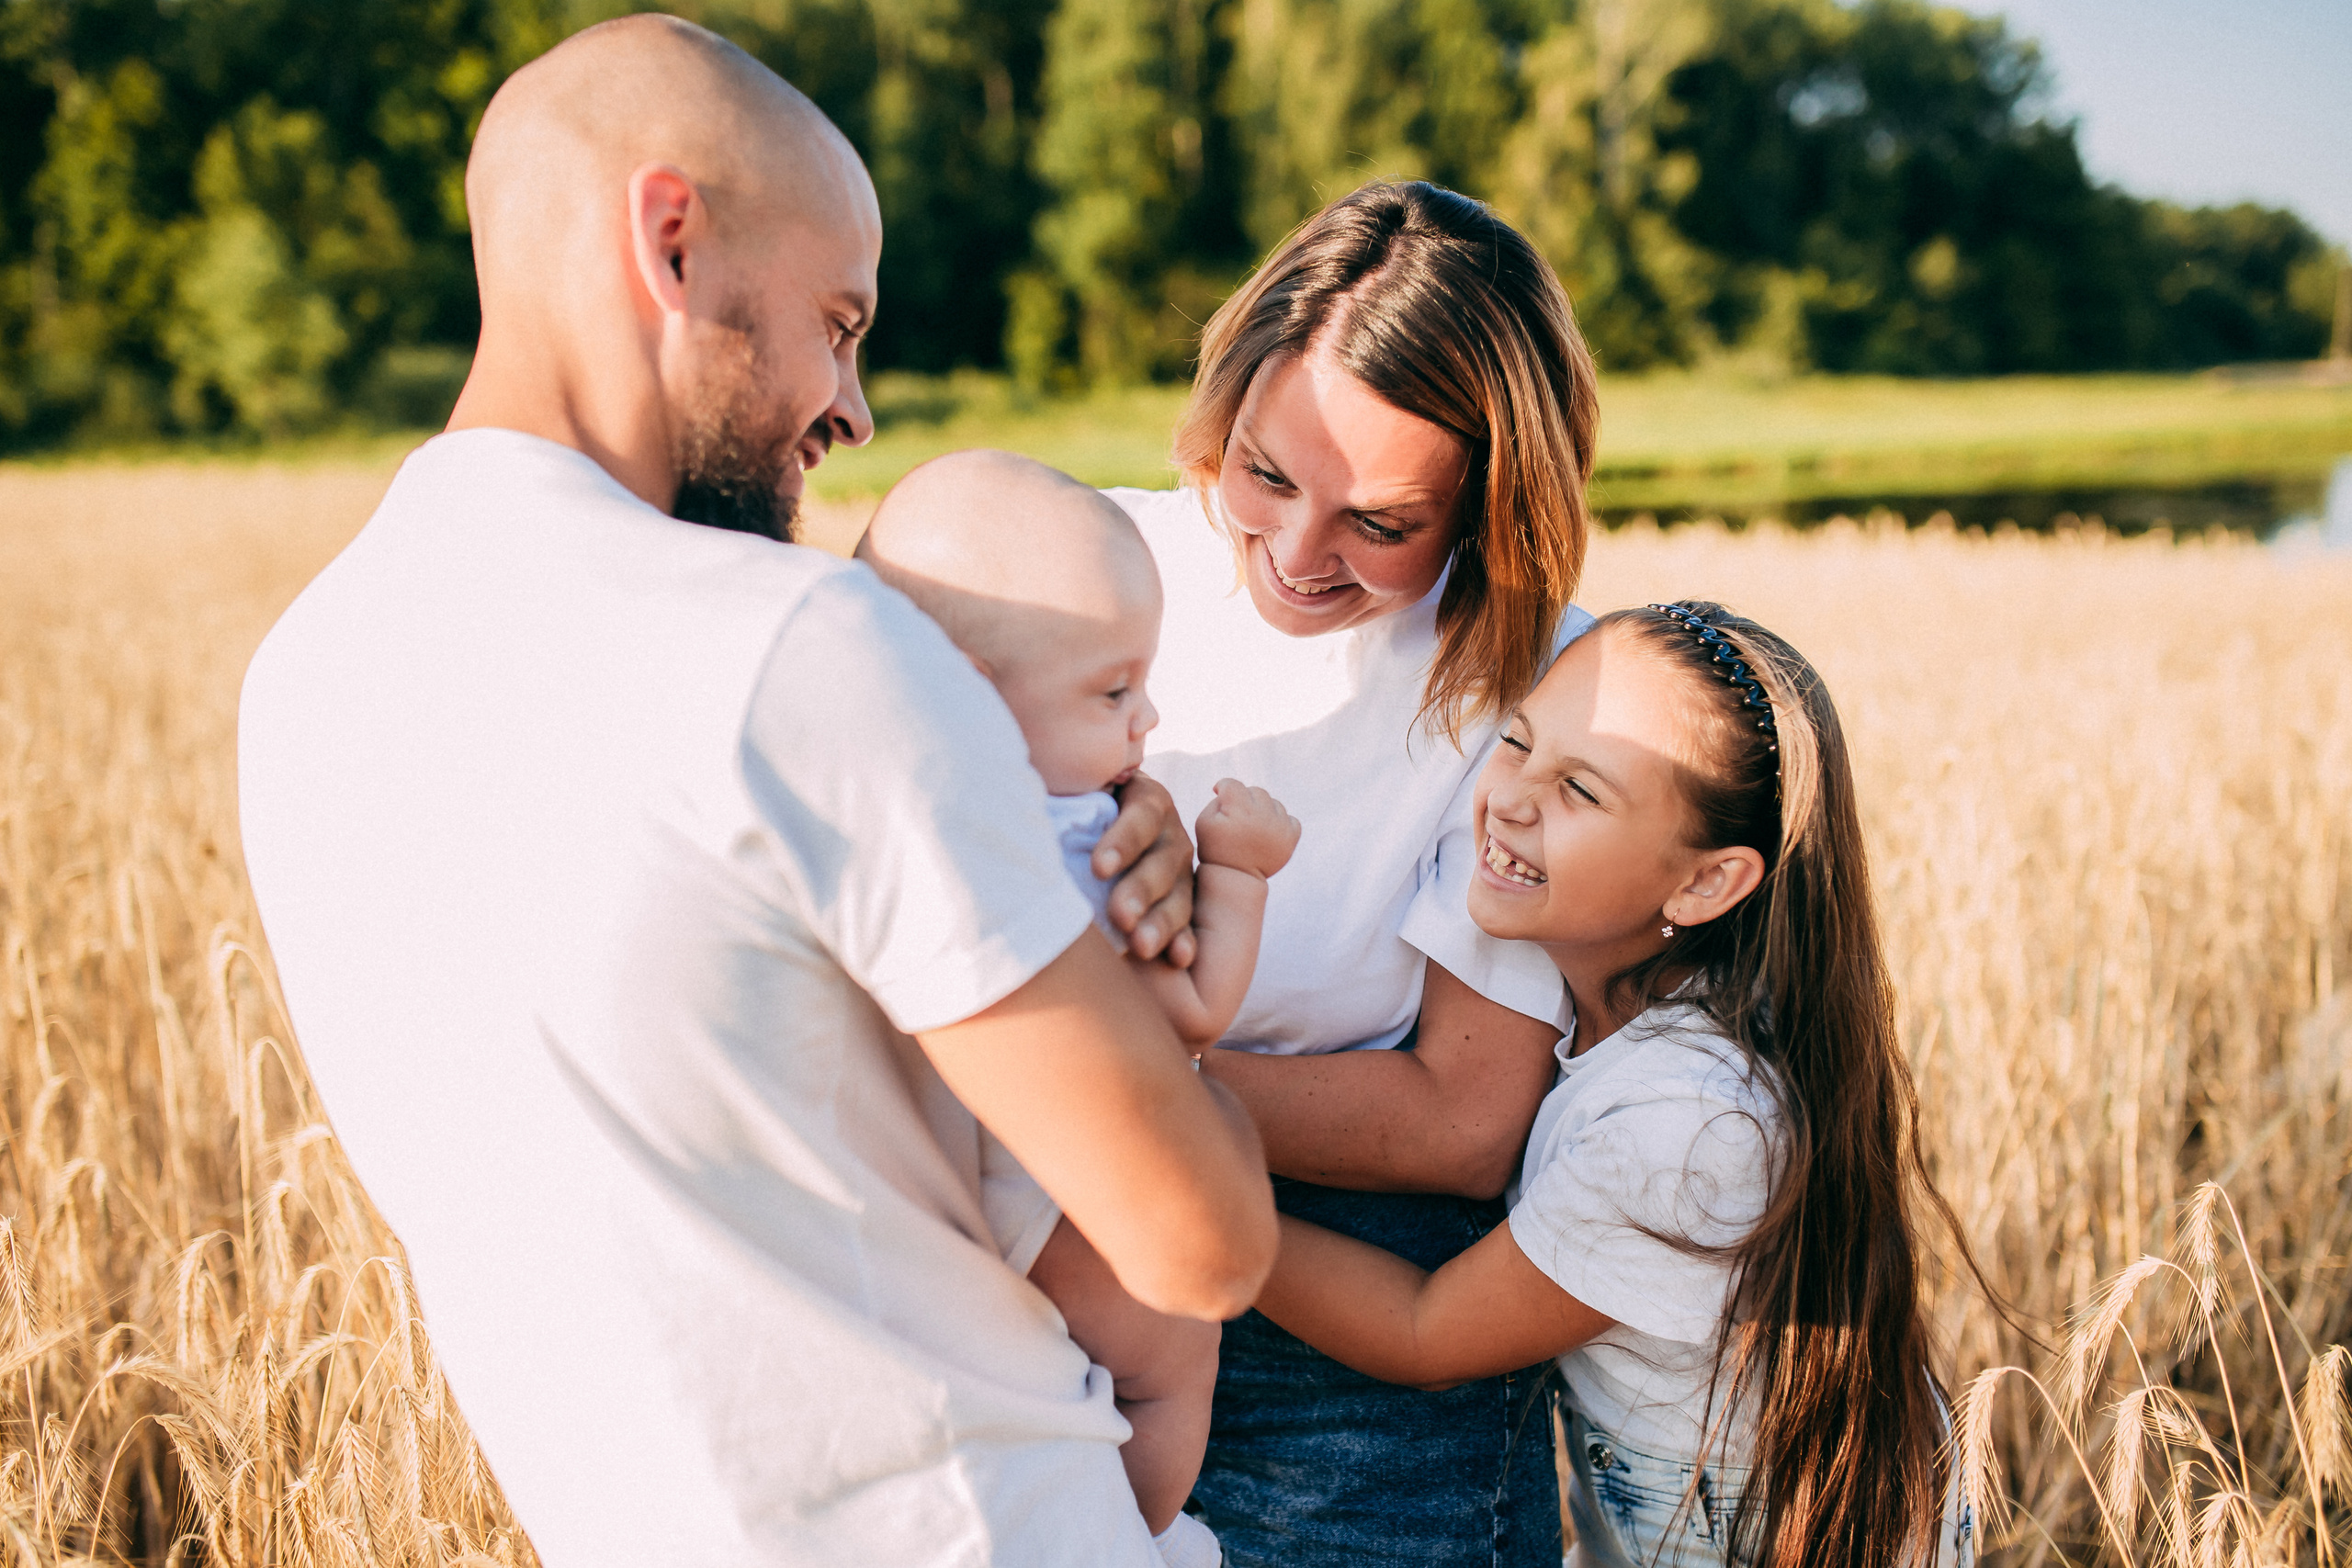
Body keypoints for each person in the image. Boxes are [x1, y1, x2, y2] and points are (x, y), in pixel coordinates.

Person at [236, 17, 1273, 1568]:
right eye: (834, 322)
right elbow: (1200, 1244)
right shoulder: (795, 648)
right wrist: (1143, 953)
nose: (850, 408)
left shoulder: (302, 681)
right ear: (670, 239)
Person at [1252, 601, 1977, 1568]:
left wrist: (1189, 1200)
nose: (1508, 798)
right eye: (1512, 744)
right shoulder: (1633, 1007)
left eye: (1579, 791)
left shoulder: (1685, 1125)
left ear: (1704, 885)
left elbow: (1424, 1330)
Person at [1106, 179, 1599, 1565]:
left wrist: (1093, 1075)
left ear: (1495, 509)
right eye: (1265, 472)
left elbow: (1461, 1116)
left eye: (1381, 524)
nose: (1298, 553)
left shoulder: (1546, 676)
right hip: (1052, 1265)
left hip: (1356, 1350)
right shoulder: (1091, 562)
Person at [857, 448, 1301, 1568]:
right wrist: (1236, 874)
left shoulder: (866, 813)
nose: (1148, 720)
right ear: (963, 690)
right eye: (1114, 693)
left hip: (922, 1199)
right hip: (1063, 1186)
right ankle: (1137, 1529)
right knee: (1170, 1370)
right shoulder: (1088, 851)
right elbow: (1192, 1011)